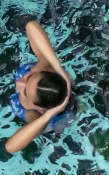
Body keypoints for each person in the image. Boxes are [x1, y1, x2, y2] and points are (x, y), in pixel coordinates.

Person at [5, 21, 76, 153]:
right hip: (55, 81)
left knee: (57, 126)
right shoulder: (43, 67)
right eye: (29, 77)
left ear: (41, 109)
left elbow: (10, 147)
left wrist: (47, 116)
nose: (19, 82)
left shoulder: (35, 115)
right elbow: (30, 25)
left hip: (55, 116)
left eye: (25, 92)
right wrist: (56, 65)